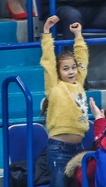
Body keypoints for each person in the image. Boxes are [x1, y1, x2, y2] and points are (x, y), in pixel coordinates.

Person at [40, 14, 89, 187]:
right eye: (66, 69)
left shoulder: (78, 83)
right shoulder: (55, 86)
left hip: (78, 148)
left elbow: (82, 59)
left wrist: (78, 35)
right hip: (59, 150)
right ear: (58, 72)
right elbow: (48, 60)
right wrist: (47, 31)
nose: (71, 71)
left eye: (73, 68)